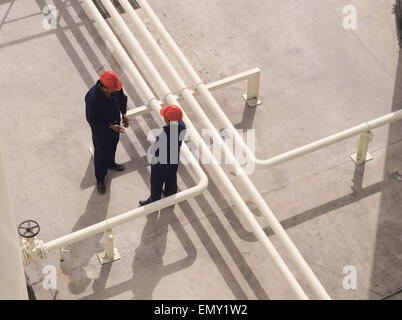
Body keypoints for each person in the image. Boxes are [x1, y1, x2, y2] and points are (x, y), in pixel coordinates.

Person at [85, 71, 130, 194]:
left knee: (112, 146)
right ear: (103, 87)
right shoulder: (92, 98)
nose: (115, 91)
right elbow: (92, 121)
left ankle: (110, 163)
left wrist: (124, 113)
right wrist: (110, 126)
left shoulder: (115, 88)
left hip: (115, 126)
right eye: (112, 90)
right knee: (100, 155)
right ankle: (100, 179)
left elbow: (122, 98)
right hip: (101, 132)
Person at [139, 105, 186, 206]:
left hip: (161, 162)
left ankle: (154, 200)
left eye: (165, 118)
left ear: (169, 121)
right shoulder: (181, 124)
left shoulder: (166, 134)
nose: (164, 119)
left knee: (156, 181)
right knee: (171, 177)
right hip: (174, 157)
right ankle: (170, 194)